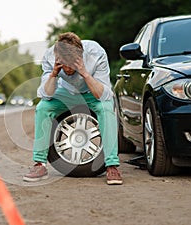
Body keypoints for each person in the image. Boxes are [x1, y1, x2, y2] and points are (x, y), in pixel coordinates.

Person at [23, 32, 123, 185]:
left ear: (80, 56)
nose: (68, 69)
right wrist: (54, 74)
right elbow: (46, 94)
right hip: (65, 94)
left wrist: (84, 72)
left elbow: (102, 95)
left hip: (91, 93)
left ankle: (112, 165)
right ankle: (40, 165)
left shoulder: (97, 53)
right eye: (64, 64)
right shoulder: (50, 56)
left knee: (106, 108)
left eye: (72, 64)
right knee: (43, 108)